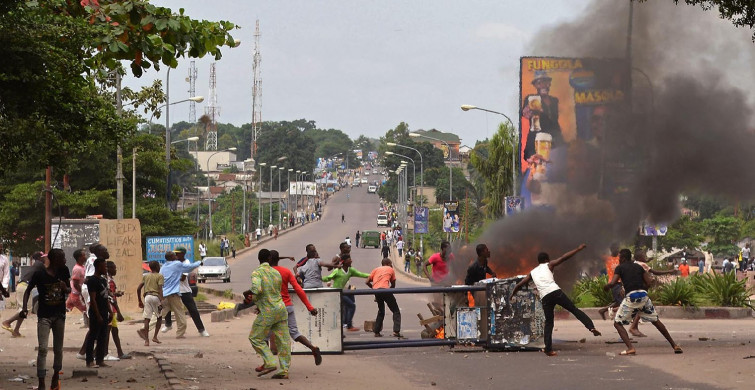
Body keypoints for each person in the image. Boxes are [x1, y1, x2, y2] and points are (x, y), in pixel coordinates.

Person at [510, 244, 601, 356]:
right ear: (546, 260)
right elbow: (563, 258)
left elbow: (519, 284)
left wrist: (512, 295)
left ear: (538, 261)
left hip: (545, 297)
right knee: (573, 309)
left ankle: (548, 349)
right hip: (555, 292)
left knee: (549, 322)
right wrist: (578, 249)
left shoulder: (532, 272)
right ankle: (591, 327)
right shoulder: (549, 265)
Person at [604, 249, 683, 356]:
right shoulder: (639, 267)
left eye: (619, 258)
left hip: (631, 297)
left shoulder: (620, 268)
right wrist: (641, 289)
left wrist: (607, 287)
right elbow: (649, 281)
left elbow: (613, 283)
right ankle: (674, 345)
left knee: (617, 323)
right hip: (643, 296)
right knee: (656, 321)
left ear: (622, 258)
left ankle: (630, 348)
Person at [23, 248, 70, 390]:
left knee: (58, 348)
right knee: (43, 348)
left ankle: (56, 374)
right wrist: (24, 308)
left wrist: (64, 287)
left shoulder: (64, 271)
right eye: (62, 258)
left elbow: (69, 289)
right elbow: (28, 290)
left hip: (60, 315)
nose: (65, 260)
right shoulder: (39, 274)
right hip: (44, 315)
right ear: (55, 259)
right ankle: (41, 380)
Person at [268, 250, 322, 367]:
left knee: (264, 334)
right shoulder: (286, 272)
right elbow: (299, 290)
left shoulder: (266, 273)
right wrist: (310, 307)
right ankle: (313, 348)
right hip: (288, 306)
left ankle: (270, 359)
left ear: (268, 259)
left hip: (273, 308)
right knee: (295, 333)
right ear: (277, 259)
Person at [244, 249, 291, 379]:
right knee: (284, 341)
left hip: (268, 311)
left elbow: (257, 289)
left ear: (259, 259)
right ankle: (284, 370)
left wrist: (248, 295)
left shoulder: (257, 273)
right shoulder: (276, 273)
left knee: (255, 337)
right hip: (281, 309)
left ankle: (270, 362)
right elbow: (273, 291)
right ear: (269, 258)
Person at [162, 247, 209, 337]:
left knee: (193, 310)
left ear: (183, 254)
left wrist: (172, 277)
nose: (176, 255)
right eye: (174, 254)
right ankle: (168, 324)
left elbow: (183, 278)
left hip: (184, 290)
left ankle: (201, 330)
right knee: (166, 306)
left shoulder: (185, 263)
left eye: (177, 253)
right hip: (173, 290)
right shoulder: (173, 263)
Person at [521, 70, 563, 162]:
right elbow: (525, 112)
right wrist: (526, 111)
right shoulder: (531, 99)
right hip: (537, 140)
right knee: (537, 169)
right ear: (535, 86)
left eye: (545, 82)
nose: (543, 85)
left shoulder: (554, 100)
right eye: (539, 83)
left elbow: (554, 121)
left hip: (554, 139)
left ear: (549, 84)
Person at [3, 251, 46, 338]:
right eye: (44, 257)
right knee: (25, 310)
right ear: (39, 258)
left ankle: (16, 331)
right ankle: (8, 322)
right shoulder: (39, 264)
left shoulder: (37, 265)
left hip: (22, 286)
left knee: (23, 310)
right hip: (24, 287)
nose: (45, 259)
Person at [323, 253, 369, 331]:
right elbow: (328, 278)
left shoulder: (351, 270)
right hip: (336, 292)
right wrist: (319, 278)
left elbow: (361, 274)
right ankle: (348, 325)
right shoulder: (337, 271)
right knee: (351, 306)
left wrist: (374, 275)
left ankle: (346, 324)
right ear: (344, 261)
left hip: (344, 292)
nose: (351, 261)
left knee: (347, 307)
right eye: (349, 259)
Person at [84, 257, 112, 368]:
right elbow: (93, 299)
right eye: (104, 266)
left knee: (103, 336)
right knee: (93, 336)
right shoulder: (92, 281)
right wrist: (98, 314)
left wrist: (110, 311)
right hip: (96, 312)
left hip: (105, 311)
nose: (106, 268)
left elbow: (105, 298)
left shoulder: (103, 281)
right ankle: (89, 360)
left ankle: (100, 360)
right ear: (98, 266)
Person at [367, 258, 402, 338]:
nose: (391, 265)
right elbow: (393, 284)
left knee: (381, 311)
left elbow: (367, 281)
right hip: (385, 290)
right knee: (396, 310)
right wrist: (389, 291)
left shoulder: (375, 269)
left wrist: (373, 288)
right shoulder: (390, 269)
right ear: (388, 263)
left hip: (376, 291)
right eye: (391, 264)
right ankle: (396, 331)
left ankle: (377, 332)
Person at [106, 261, 131, 359]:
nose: (116, 270)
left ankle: (119, 352)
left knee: (114, 331)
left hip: (112, 309)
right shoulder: (108, 280)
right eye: (114, 268)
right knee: (108, 331)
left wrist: (116, 293)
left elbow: (111, 294)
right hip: (110, 309)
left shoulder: (110, 279)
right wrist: (119, 312)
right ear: (109, 268)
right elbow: (110, 297)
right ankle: (104, 353)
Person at [137, 261, 164, 346]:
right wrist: (162, 300)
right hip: (156, 297)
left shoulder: (146, 276)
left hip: (147, 297)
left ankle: (146, 340)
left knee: (147, 319)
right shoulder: (160, 276)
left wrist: (139, 300)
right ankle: (155, 336)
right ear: (157, 267)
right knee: (159, 317)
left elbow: (138, 288)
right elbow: (160, 289)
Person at [598, 243, 622, 321]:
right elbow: (598, 254)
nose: (618, 250)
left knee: (618, 301)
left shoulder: (620, 258)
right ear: (611, 249)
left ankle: (603, 310)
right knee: (621, 302)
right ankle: (620, 317)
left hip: (620, 282)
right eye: (616, 248)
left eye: (618, 248)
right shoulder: (607, 258)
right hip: (613, 283)